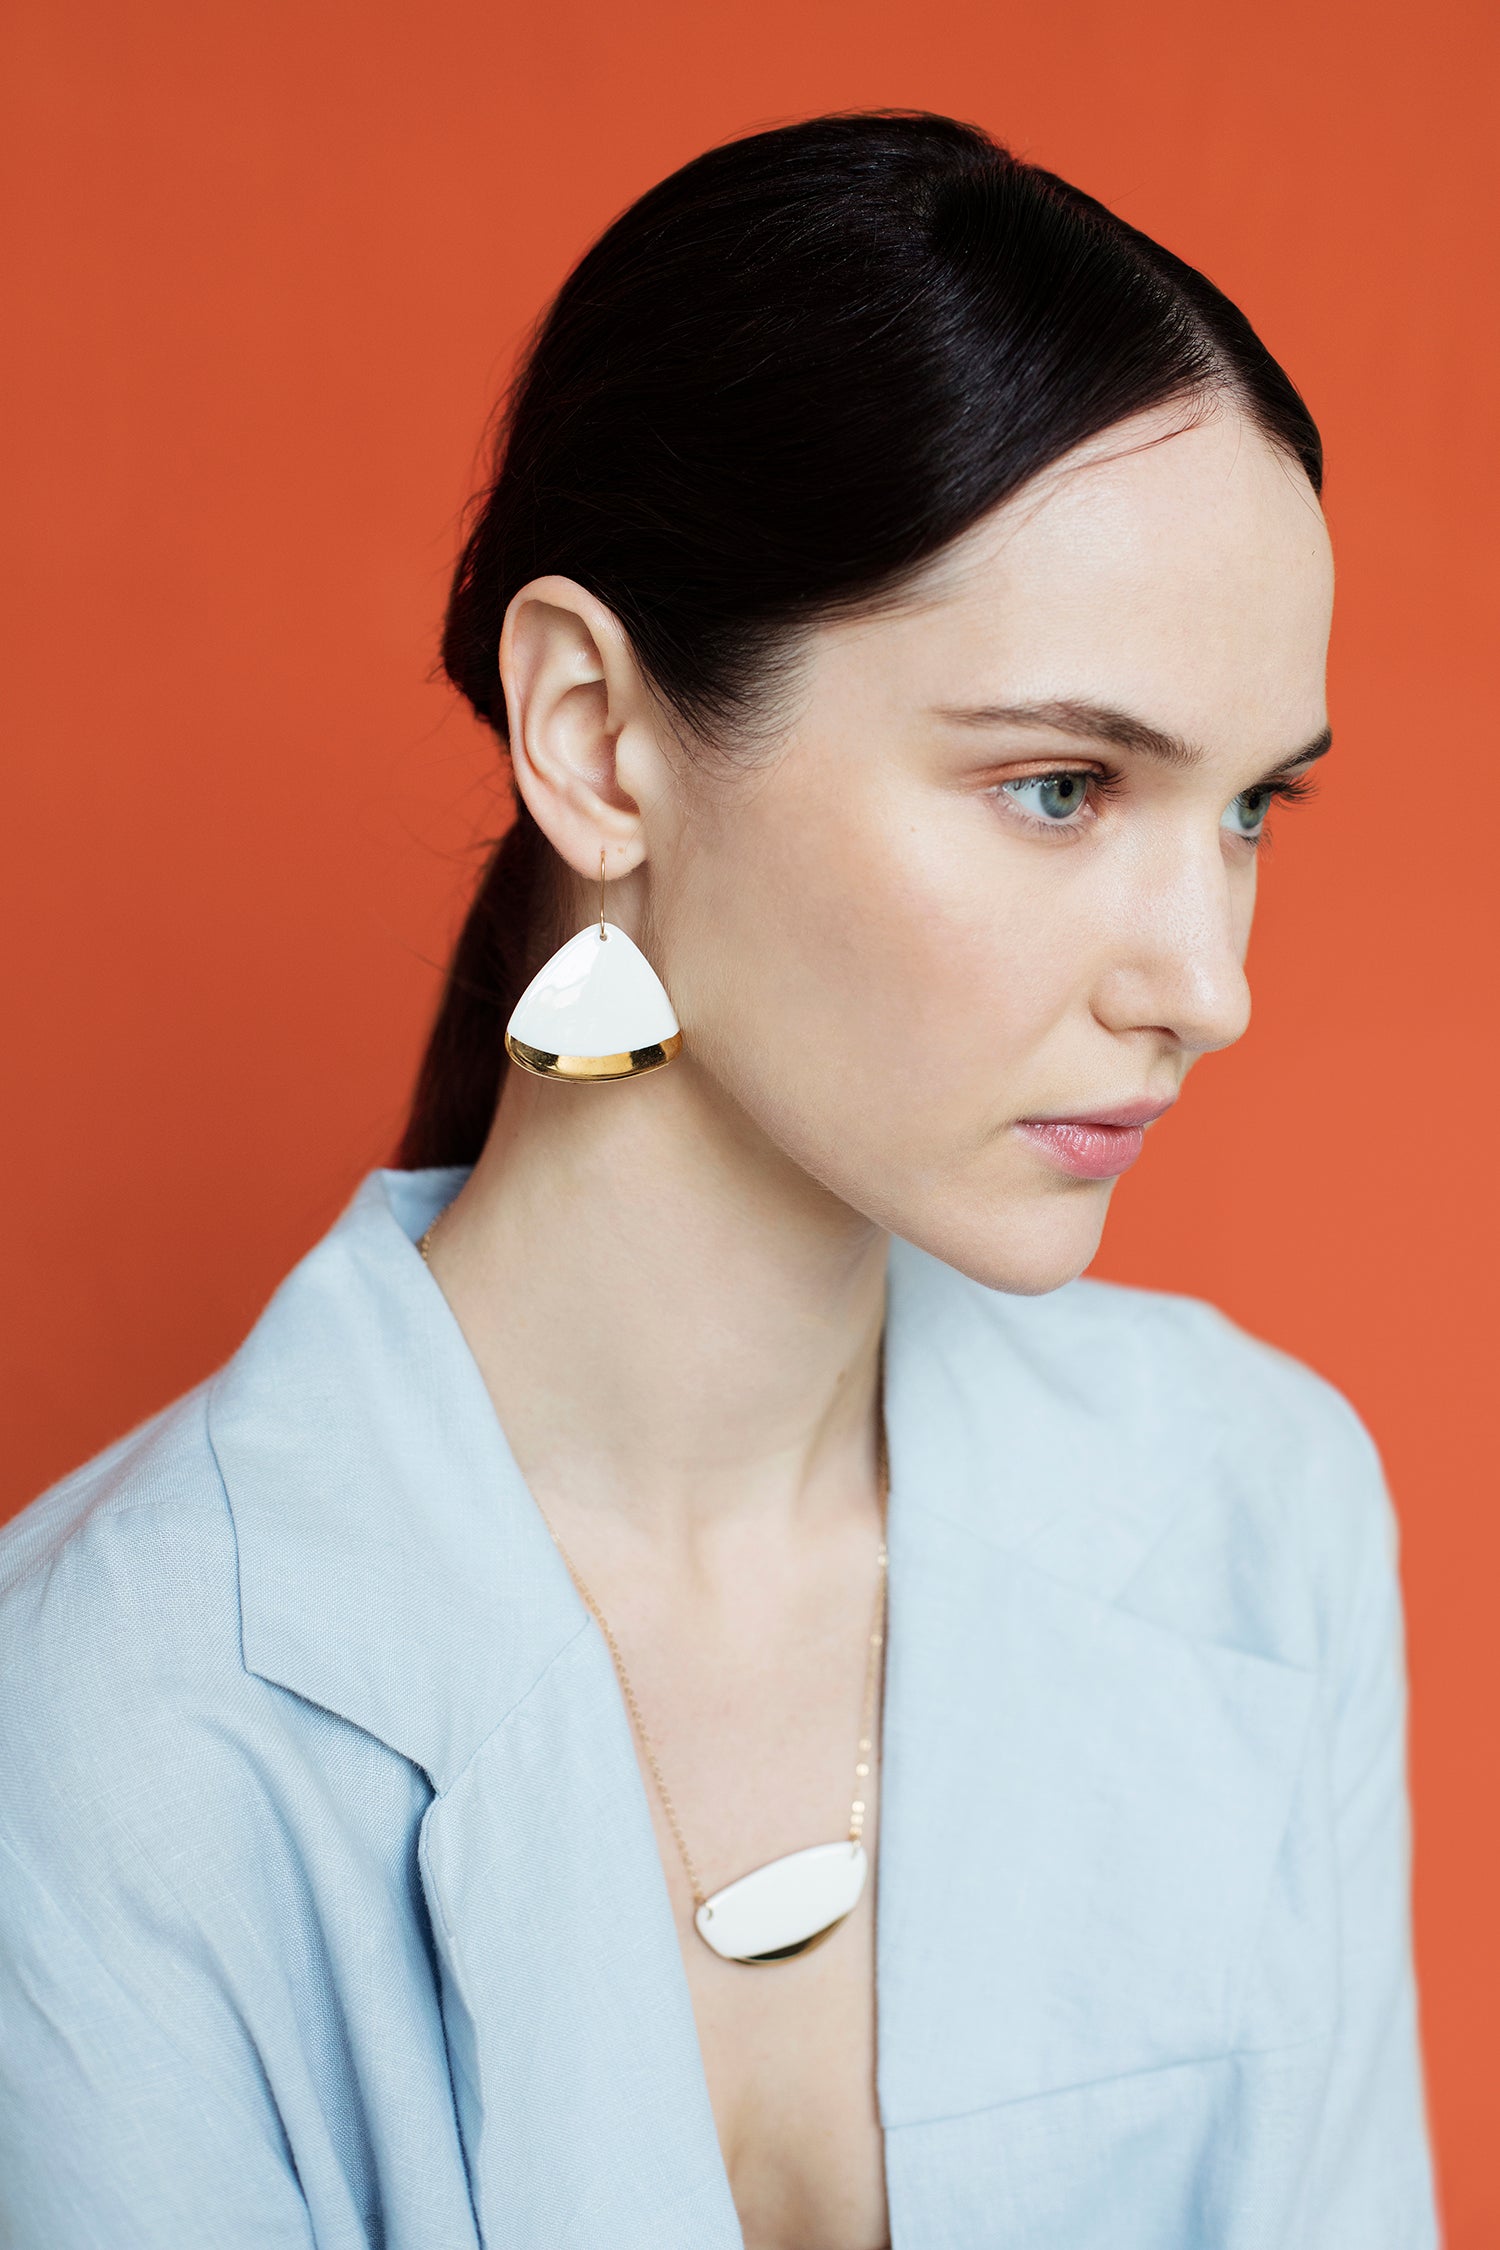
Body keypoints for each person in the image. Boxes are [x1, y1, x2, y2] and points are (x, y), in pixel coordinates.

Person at [0, 110, 1438, 2250]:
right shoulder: (101, 1723)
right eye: (1061, 786)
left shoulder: (1262, 1508)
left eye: (1248, 809)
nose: (1208, 984)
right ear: (596, 735)